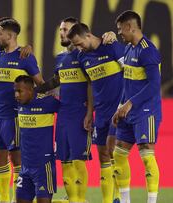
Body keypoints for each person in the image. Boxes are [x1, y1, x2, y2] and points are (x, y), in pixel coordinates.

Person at [0, 19, 44, 203]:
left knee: (17, 158)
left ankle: (18, 198)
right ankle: (3, 198)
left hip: (14, 116)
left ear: (10, 35)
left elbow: (40, 84)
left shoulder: (25, 56)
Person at [67, 23, 124, 203]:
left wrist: (126, 103)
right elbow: (90, 84)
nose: (78, 48)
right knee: (103, 155)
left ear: (88, 35)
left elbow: (130, 72)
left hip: (117, 110)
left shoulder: (112, 46)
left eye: (79, 43)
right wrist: (89, 112)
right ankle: (108, 200)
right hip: (100, 113)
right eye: (75, 45)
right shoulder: (83, 58)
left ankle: (119, 197)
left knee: (114, 152)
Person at [112, 10, 162, 203]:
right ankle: (125, 201)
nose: (119, 33)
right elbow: (128, 82)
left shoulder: (148, 50)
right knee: (119, 155)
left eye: (120, 29)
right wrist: (120, 107)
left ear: (130, 27)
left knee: (147, 156)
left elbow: (154, 85)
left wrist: (130, 104)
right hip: (127, 111)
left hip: (145, 112)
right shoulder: (129, 49)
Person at [52, 17, 93, 203]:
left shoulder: (85, 55)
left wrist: (89, 111)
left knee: (78, 160)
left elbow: (92, 83)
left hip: (79, 114)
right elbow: (55, 82)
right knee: (64, 160)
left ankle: (80, 200)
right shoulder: (60, 58)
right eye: (61, 30)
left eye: (66, 29)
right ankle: (72, 198)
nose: (63, 33)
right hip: (62, 114)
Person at [14, 75, 60, 203]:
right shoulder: (18, 104)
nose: (16, 95)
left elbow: (67, 110)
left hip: (44, 167)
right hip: (25, 167)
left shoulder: (47, 102)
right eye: (15, 91)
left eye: (20, 91)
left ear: (30, 90)